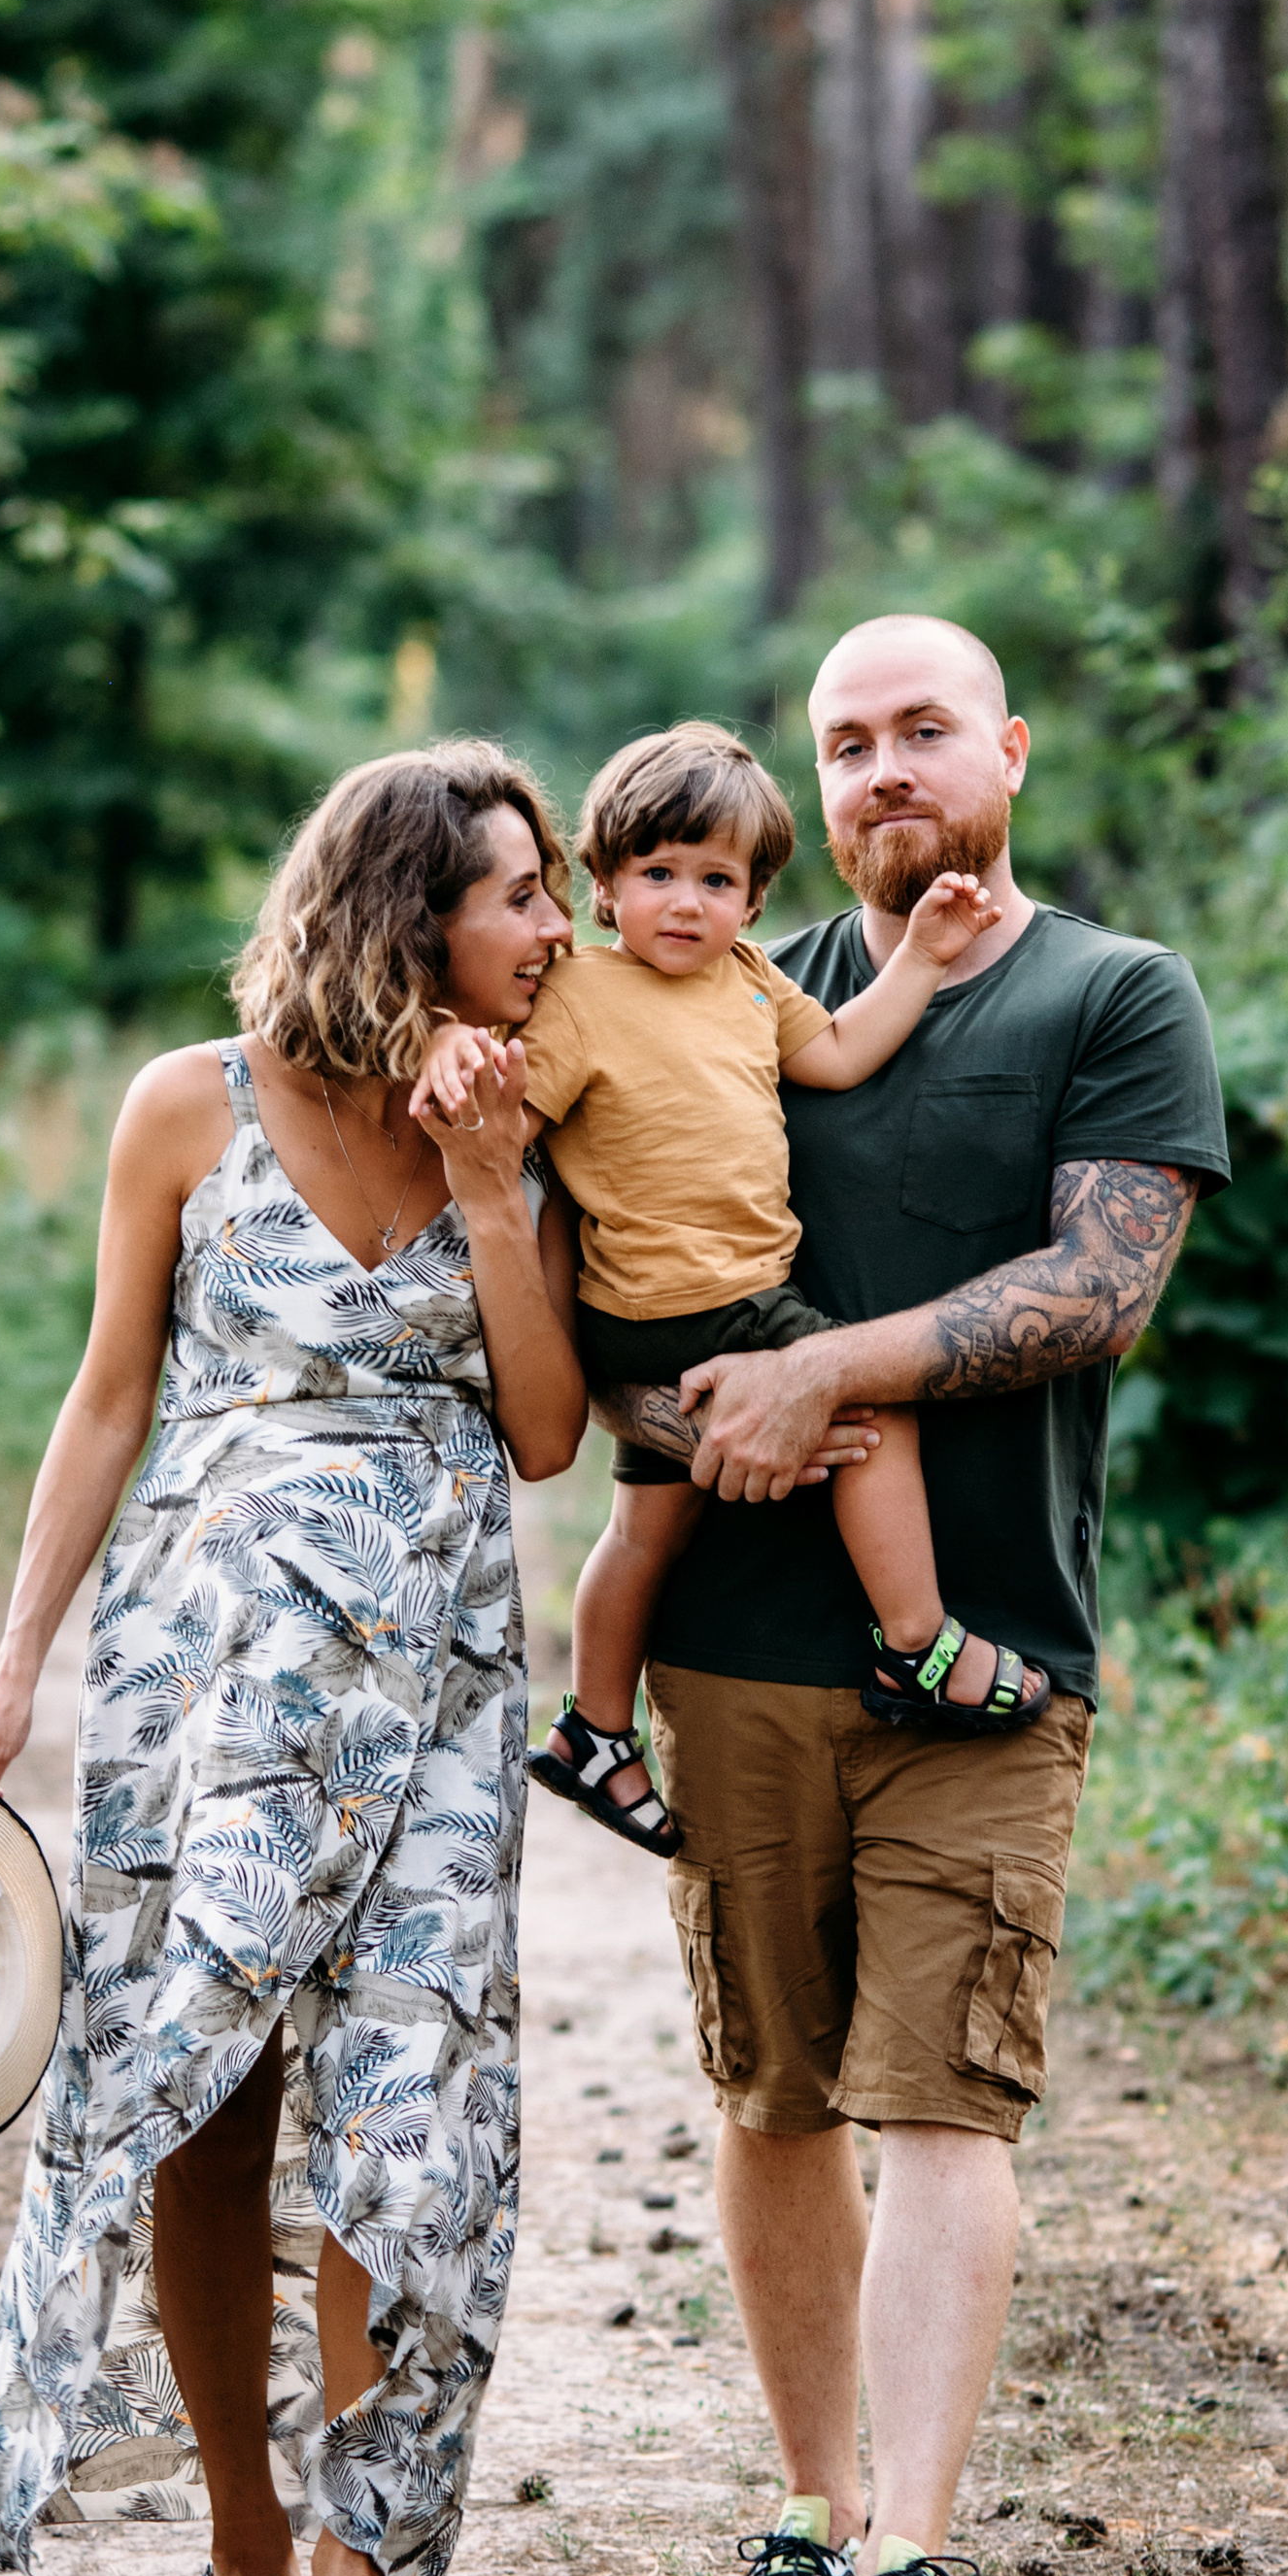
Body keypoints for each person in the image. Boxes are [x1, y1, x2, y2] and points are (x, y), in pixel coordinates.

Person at [0, 744, 587, 2576]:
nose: (551, 926)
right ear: (411, 919)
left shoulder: (539, 1131)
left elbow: (547, 1433)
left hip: (436, 1694)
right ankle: (239, 2549)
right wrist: (14, 1657)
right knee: (204, 2112)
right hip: (201, 1683)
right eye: (515, 895)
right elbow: (107, 1399)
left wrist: (484, 1192)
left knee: (408, 2104)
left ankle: (354, 2553)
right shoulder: (183, 1111)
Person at [627, 616, 1230, 2576]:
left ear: (1008, 752)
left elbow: (1092, 1289)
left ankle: (909, 2551)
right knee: (775, 2088)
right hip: (732, 1644)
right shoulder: (732, 987)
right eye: (844, 742)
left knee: (941, 2093)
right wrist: (696, 1405)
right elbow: (632, 1255)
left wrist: (824, 1374)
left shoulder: (1109, 995)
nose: (884, 771)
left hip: (988, 1659)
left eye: (921, 733)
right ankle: (803, 2510)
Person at [418, 720, 1052, 1869]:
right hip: (690, 1297)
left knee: (643, 1526)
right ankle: (915, 1639)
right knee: (868, 1410)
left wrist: (920, 952)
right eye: (655, 873)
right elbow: (515, 1120)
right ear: (599, 884)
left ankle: (594, 1728)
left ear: (754, 903)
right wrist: (449, 1057)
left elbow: (844, 1054)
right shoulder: (576, 993)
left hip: (699, 1301)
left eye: (716, 880)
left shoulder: (754, 988)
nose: (684, 903)